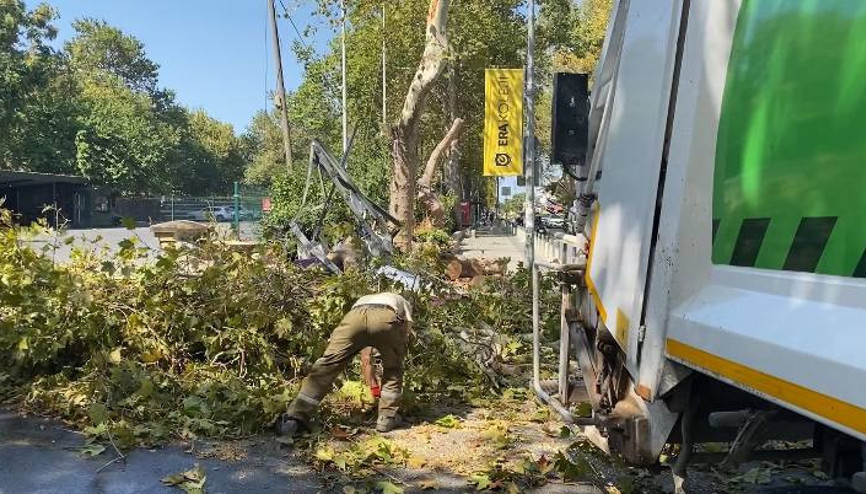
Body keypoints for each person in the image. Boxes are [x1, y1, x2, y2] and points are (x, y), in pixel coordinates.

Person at [277, 292, 413, 435]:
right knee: (393, 368)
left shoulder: (366, 298)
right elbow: (404, 333)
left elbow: (366, 356)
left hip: (353, 317)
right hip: (386, 316)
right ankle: (386, 418)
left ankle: (295, 418)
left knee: (327, 365)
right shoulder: (404, 303)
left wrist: (372, 382)